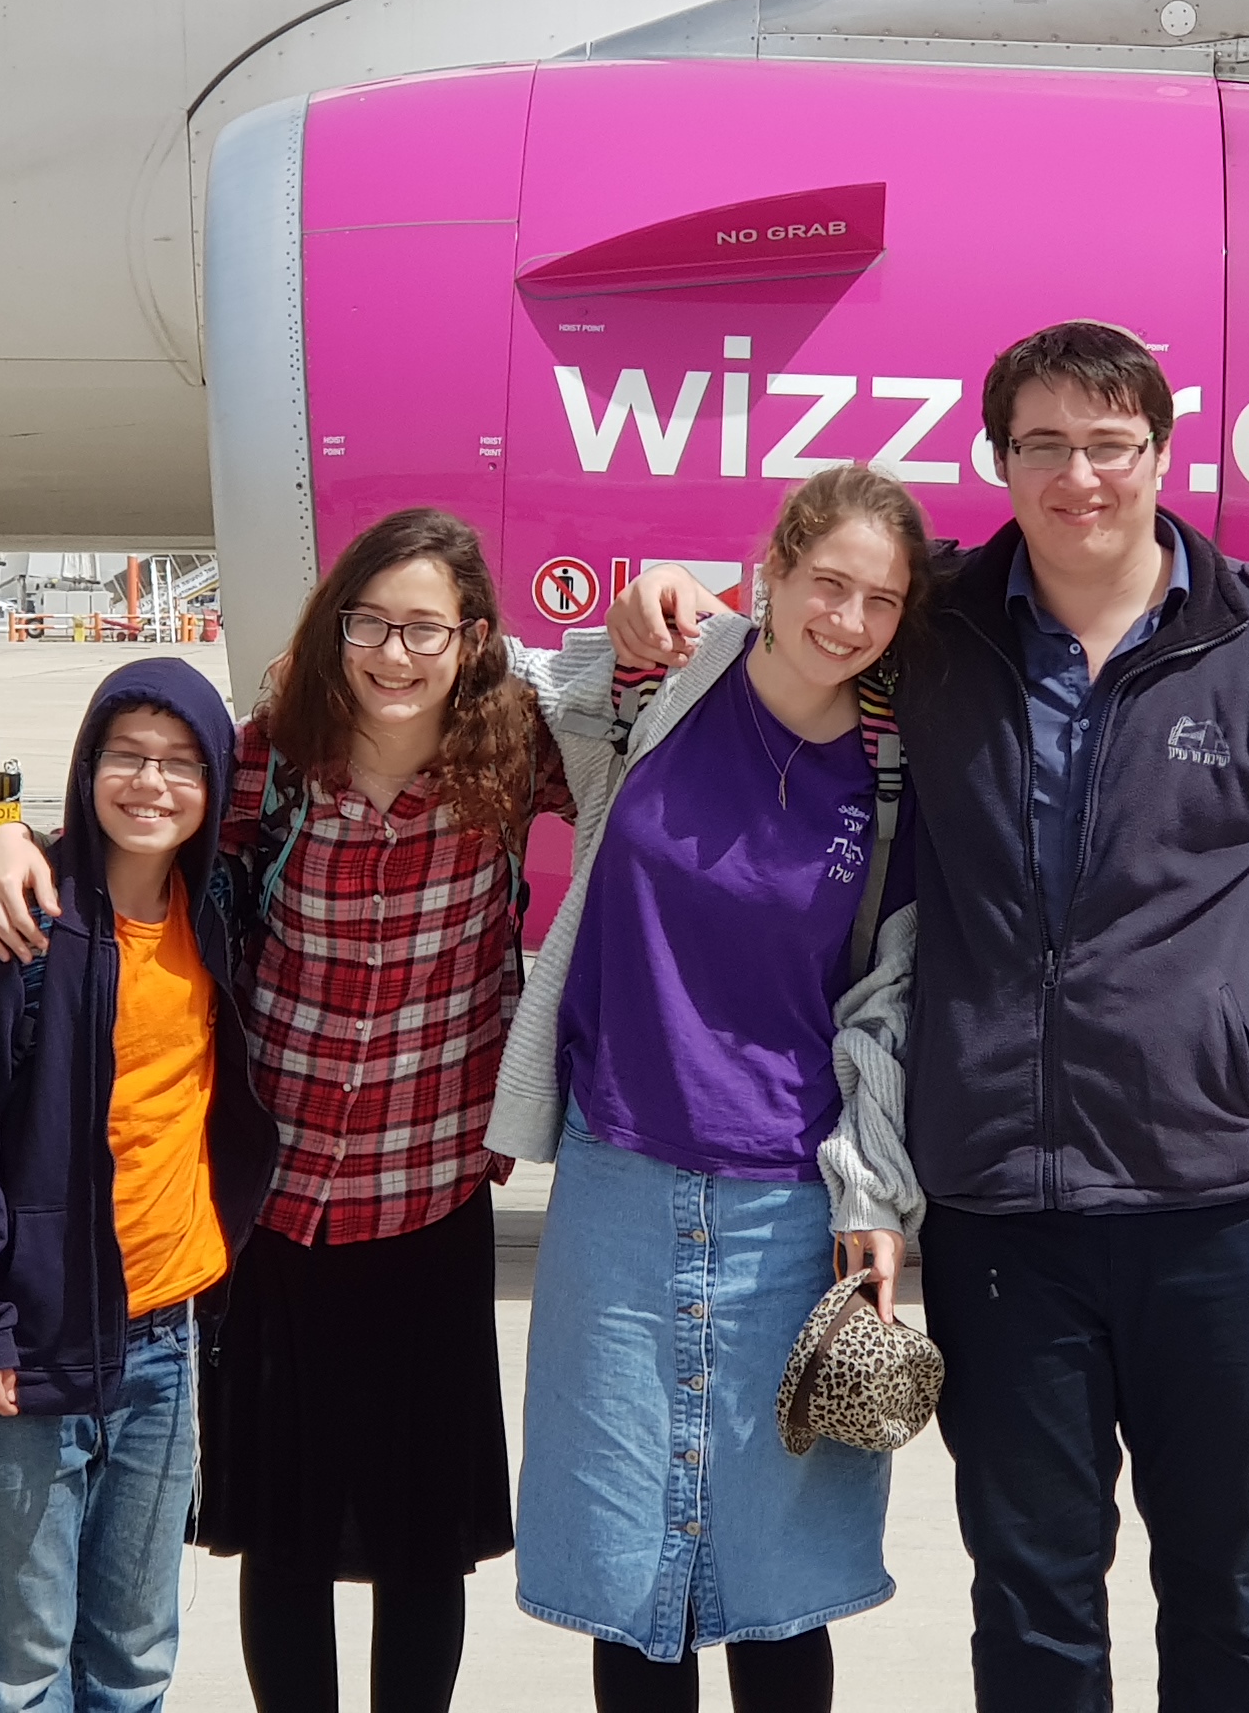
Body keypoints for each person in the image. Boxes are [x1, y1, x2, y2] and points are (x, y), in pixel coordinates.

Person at [608, 321, 1249, 1713]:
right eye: (1044, 444)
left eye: (1110, 445)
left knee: (1225, 1582)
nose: (1078, 476)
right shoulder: (941, 631)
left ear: (1161, 453)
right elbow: (808, 625)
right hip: (1000, 1203)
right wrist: (677, 594)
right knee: (1030, 1592)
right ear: (999, 460)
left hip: (1218, 1197)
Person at [0, 508, 570, 1713]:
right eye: (369, 623)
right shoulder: (274, 761)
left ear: (472, 639)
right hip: (276, 1207)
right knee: (283, 1535)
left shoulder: (516, 757)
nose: (393, 654)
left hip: (429, 1195)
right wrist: (11, 844)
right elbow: (143, 825)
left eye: (425, 629)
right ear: (333, 626)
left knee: (421, 1539)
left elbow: (648, 719)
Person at [496, 465, 933, 1713]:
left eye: (881, 601)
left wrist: (874, 1193)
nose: (848, 620)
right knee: (631, 1580)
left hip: (790, 1202)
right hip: (619, 1176)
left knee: (775, 1581)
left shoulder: (892, 770)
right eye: (828, 583)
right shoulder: (671, 681)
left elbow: (889, 1001)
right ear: (774, 568)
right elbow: (518, 686)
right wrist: (635, 600)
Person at [0, 656, 277, 1713]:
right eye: (128, 755)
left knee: (134, 1656)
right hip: (30, 1341)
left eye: (181, 763)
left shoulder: (219, 913)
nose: (152, 782)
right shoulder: (22, 928)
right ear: (87, 767)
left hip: (165, 1341)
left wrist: (9, 834)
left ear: (214, 784)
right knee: (23, 1665)